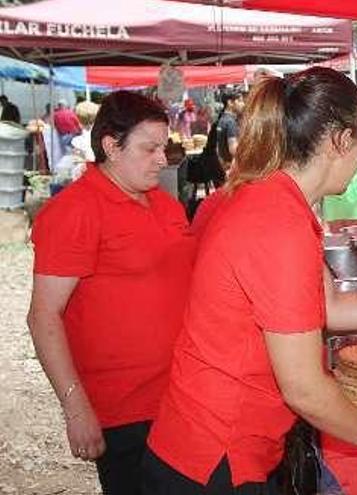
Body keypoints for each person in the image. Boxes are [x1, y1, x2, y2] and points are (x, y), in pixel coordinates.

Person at [141, 69, 357, 494]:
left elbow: (329, 306)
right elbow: (305, 390)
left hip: (220, 439)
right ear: (339, 140)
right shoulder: (278, 222)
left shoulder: (280, 199)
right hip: (213, 455)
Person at [27, 91, 197, 494]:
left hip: (182, 397)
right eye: (150, 148)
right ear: (110, 146)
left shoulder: (165, 205)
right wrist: (75, 406)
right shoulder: (74, 212)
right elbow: (42, 316)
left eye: (165, 147)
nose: (162, 158)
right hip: (125, 413)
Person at [216, 91, 244, 171]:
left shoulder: (221, 120)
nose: (243, 104)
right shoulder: (230, 122)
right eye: (240, 101)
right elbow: (234, 149)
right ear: (230, 103)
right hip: (232, 167)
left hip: (223, 166)